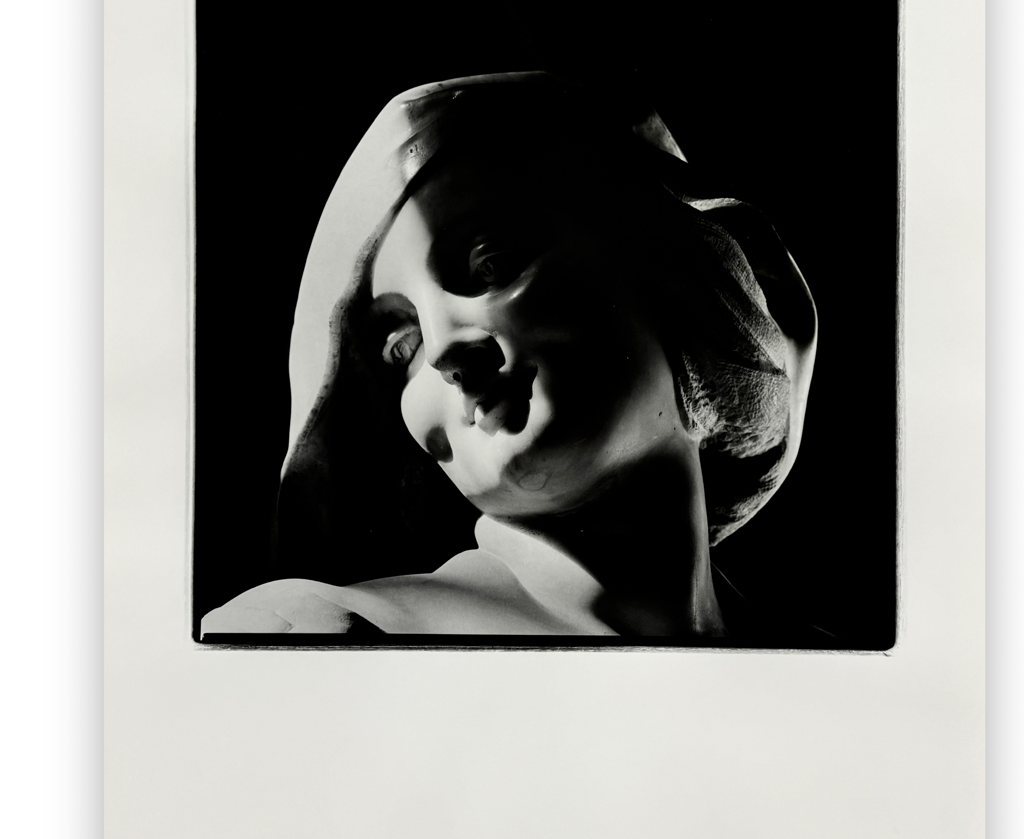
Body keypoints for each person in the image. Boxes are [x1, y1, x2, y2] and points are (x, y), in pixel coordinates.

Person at [201, 72, 816, 640]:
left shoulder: (826, 669)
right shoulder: (315, 631)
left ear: (666, 263)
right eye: (403, 346)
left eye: (492, 264)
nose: (444, 349)